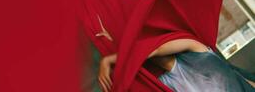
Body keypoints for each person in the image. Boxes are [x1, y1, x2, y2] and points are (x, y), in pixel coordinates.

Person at [98, 38, 255, 92]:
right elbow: (149, 54)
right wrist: (111, 52)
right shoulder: (167, 81)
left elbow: (155, 50)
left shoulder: (197, 50)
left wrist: (110, 59)